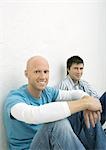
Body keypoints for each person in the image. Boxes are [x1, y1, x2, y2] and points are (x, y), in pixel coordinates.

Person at [3, 55, 106, 150]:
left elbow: (74, 94)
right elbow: (32, 115)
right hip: (31, 147)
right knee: (57, 124)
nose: (42, 76)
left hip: (49, 143)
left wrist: (87, 99)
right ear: (26, 74)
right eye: (37, 71)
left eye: (45, 72)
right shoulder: (14, 98)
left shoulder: (47, 92)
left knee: (82, 111)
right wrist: (85, 103)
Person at [57, 55, 106, 145]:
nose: (79, 72)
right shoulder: (63, 85)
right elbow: (64, 110)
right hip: (77, 121)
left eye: (81, 68)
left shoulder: (84, 84)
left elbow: (96, 100)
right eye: (76, 68)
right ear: (68, 69)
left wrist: (93, 106)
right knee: (84, 108)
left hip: (93, 116)